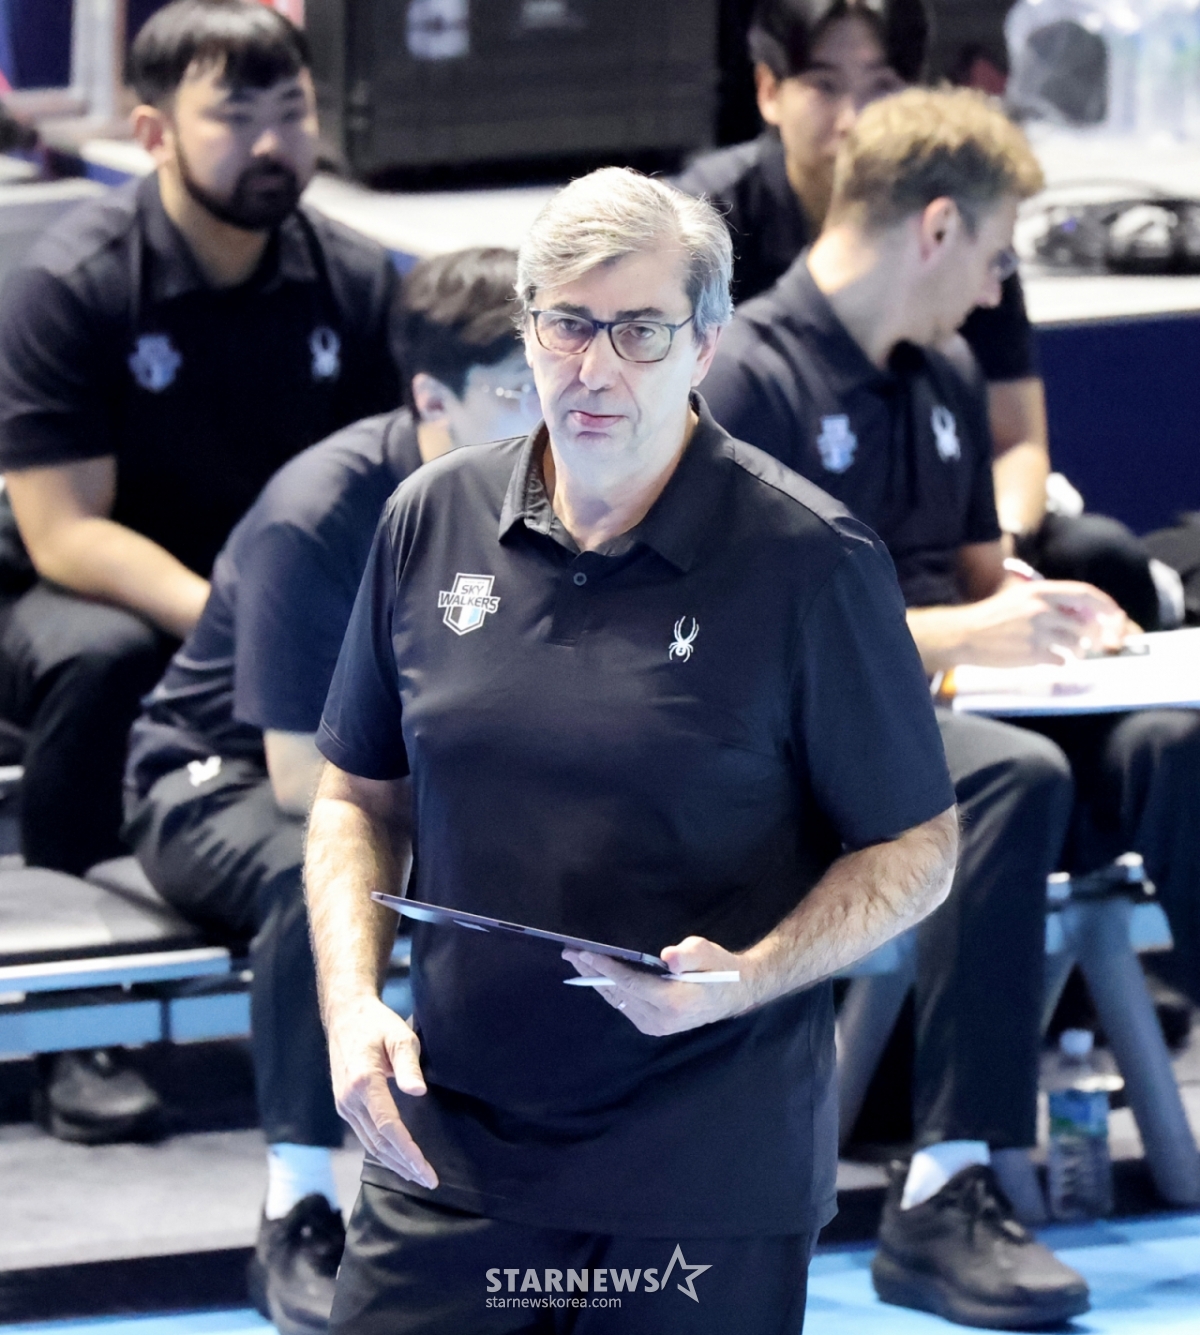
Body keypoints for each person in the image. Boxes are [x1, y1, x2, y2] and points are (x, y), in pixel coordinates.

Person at [303, 167, 959, 1335]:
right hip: (449, 1147)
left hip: (700, 1178)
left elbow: (918, 844)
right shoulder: (430, 518)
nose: (593, 366)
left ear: (705, 347)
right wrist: (352, 1002)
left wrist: (752, 974)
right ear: (528, 328)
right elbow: (357, 796)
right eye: (565, 322)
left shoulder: (812, 563)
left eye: (640, 331)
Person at [702, 88, 1103, 1328]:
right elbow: (736, 635)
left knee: (1170, 744)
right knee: (1010, 778)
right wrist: (957, 635)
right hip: (795, 744)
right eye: (993, 255)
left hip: (954, 703)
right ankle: (947, 1191)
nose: (996, 291)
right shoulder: (747, 377)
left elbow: (981, 578)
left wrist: (1059, 611)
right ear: (937, 229)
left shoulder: (950, 369)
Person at [0, 0, 401, 1143]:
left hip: (283, 582)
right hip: (86, 580)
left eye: (296, 109)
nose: (275, 142)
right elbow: (62, 530)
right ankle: (85, 1030)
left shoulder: (356, 282)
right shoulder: (76, 283)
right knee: (106, 657)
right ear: (151, 130)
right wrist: (238, 623)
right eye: (237, 113)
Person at [121, 247, 538, 1335]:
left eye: (548, 371)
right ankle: (298, 1211)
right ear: (430, 399)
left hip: (412, 785)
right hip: (209, 781)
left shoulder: (548, 492)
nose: (546, 408)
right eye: (513, 390)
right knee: (323, 884)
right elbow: (307, 779)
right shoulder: (327, 511)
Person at [677, 0, 1163, 629]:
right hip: (821, 605)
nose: (855, 119)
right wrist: (961, 634)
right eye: (825, 85)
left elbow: (1016, 443)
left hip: (930, 549)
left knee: (1103, 572)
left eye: (881, 87)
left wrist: (999, 572)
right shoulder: (716, 290)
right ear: (769, 92)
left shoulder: (956, 327)